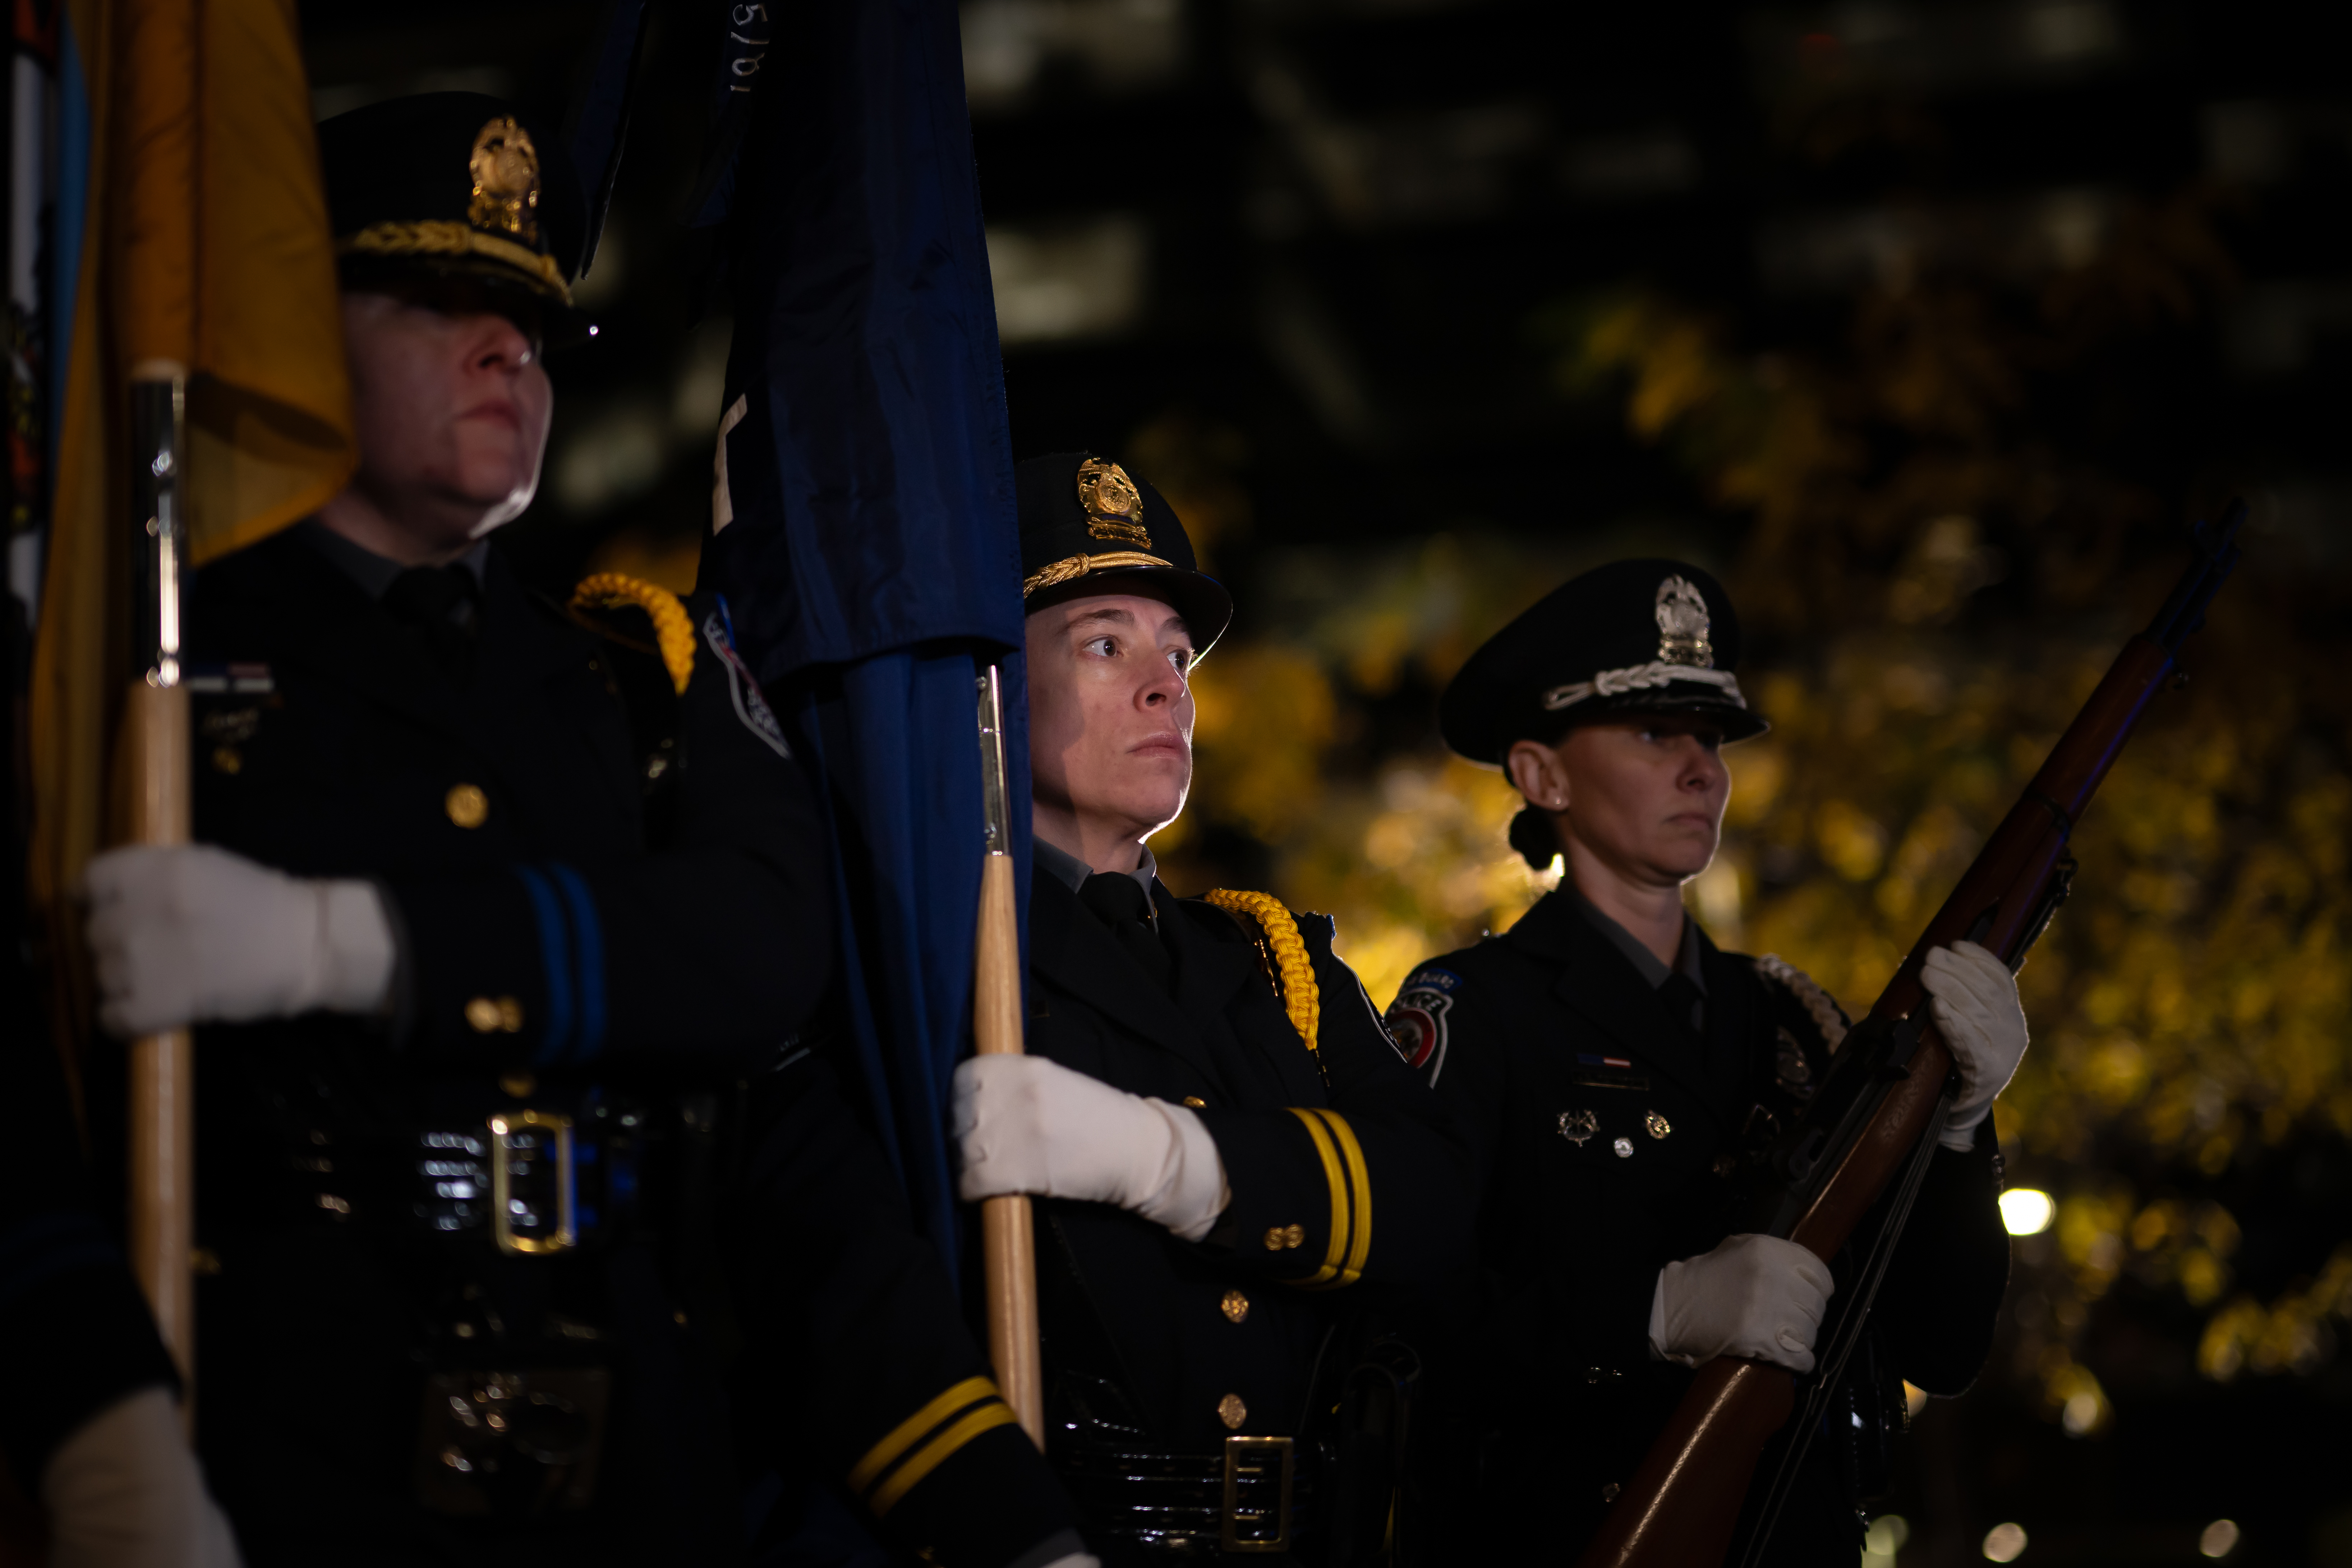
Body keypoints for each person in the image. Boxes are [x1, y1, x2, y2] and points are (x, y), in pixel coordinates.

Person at [79, 94, 1084, 1568]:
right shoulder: (149, 676)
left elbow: (762, 999)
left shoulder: (633, 688)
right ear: (294, 334)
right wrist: (90, 1424)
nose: (512, 352)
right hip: (272, 1463)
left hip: (633, 1484)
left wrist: (1009, 1526)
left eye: (535, 324)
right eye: (444, 303)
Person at [1386, 559, 2020, 1563]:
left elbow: (1941, 1345)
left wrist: (1958, 1127)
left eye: (1710, 737)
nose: (1702, 769)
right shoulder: (1477, 1009)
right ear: (1540, 775)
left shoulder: (1798, 1021)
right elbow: (1406, 1315)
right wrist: (1650, 1314)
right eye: (1653, 733)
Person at [950, 453, 1473, 1564]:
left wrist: (1180, 1162)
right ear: (993, 684)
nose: (1165, 686)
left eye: (1177, 655)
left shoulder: (1273, 957)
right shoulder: (946, 958)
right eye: (1105, 643)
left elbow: (1441, 1203)